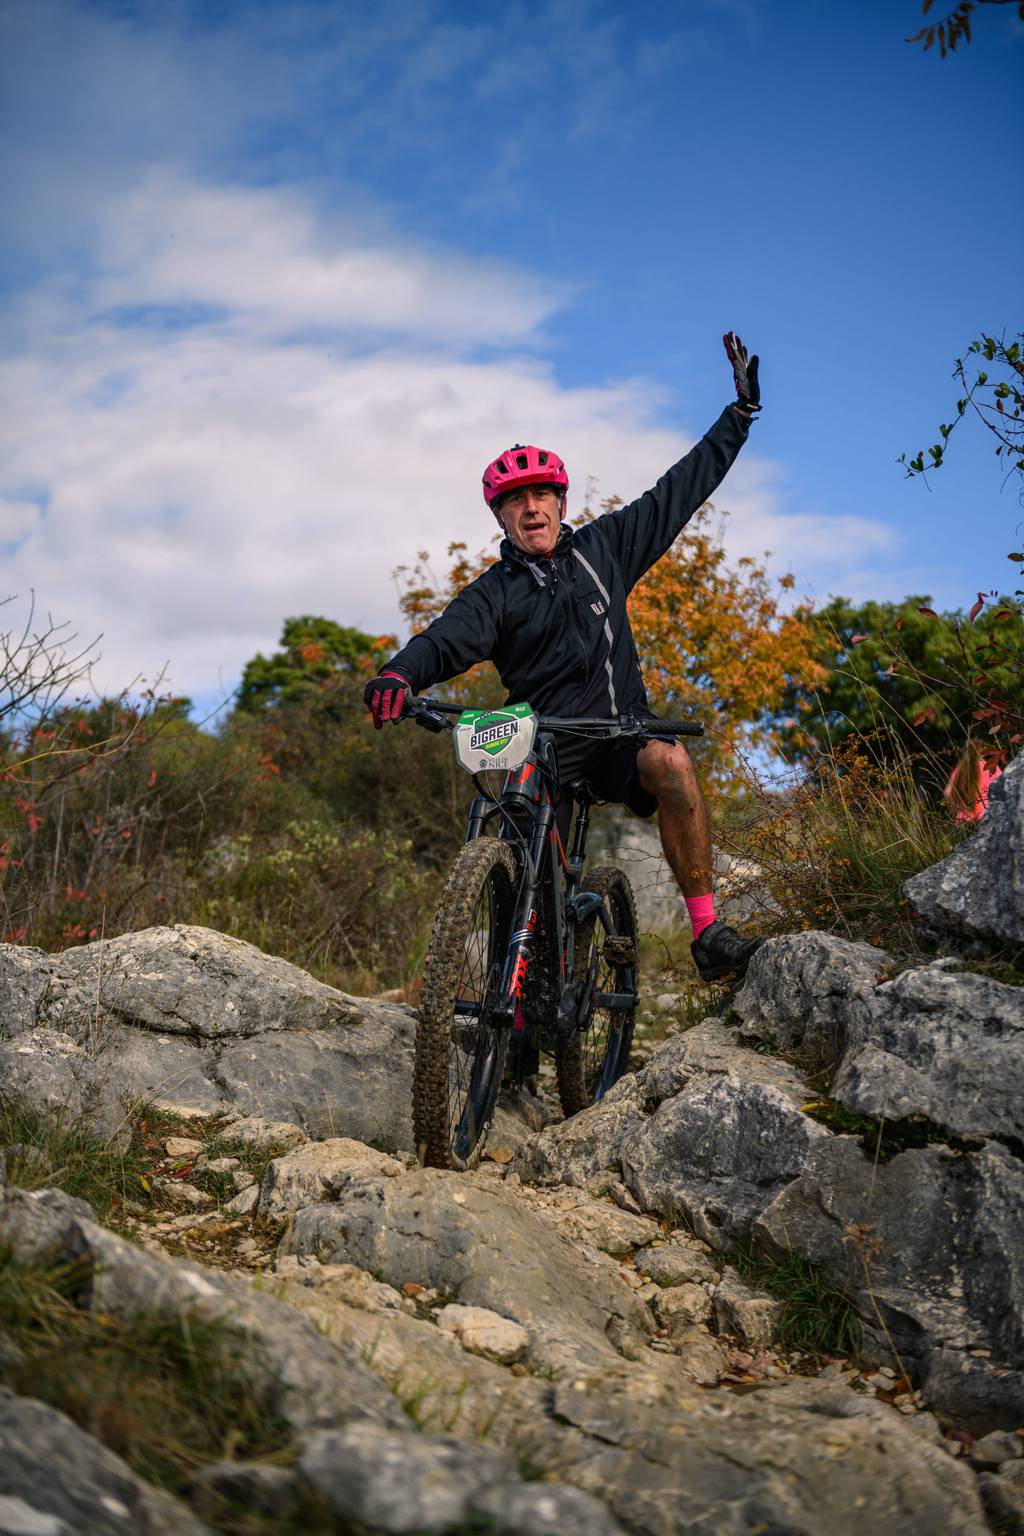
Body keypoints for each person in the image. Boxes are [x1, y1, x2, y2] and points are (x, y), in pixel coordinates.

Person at [365, 334, 765, 981]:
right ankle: (519, 988)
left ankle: (707, 930)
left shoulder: (606, 550)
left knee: (671, 762)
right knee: (513, 829)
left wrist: (737, 418)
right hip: (539, 740)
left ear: (561, 503)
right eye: (514, 500)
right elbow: (442, 641)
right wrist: (397, 674)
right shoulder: (494, 594)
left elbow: (679, 490)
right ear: (499, 515)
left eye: (540, 495)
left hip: (616, 735)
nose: (530, 508)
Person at [944, 740, 1003, 824]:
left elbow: (947, 793)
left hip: (963, 821)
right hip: (988, 819)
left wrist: (956, 812)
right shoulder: (992, 767)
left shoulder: (960, 770)